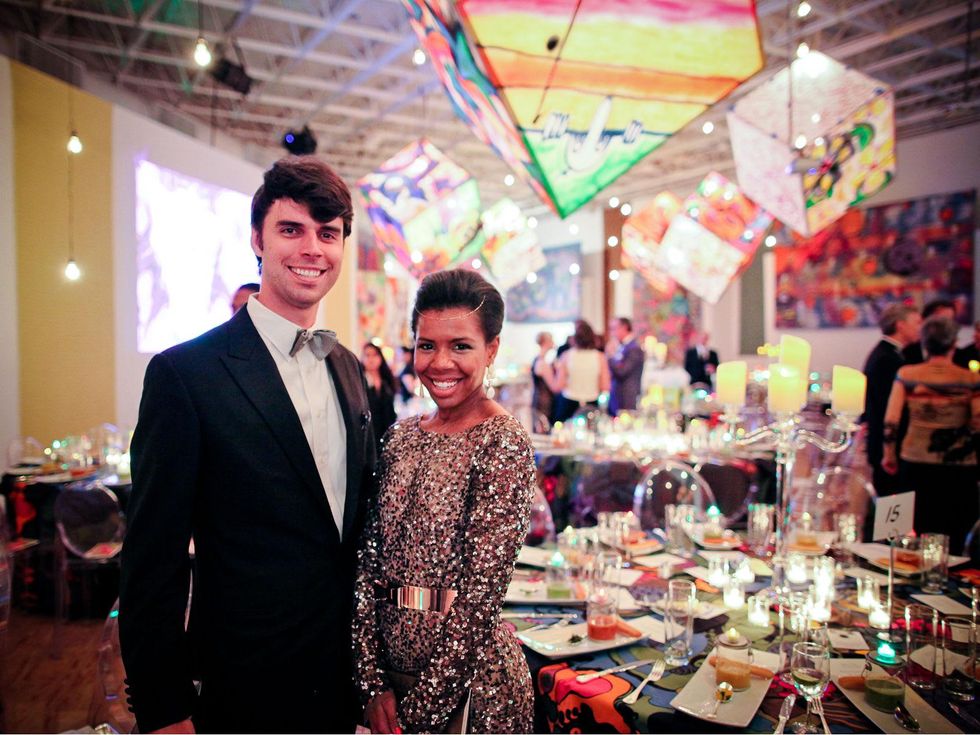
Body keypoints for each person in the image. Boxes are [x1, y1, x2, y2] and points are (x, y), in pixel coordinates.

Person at [120, 156, 376, 734]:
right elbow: (152, 559)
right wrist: (163, 710)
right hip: (241, 683)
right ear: (258, 240)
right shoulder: (187, 374)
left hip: (340, 679)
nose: (312, 248)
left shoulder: (348, 367)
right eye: (292, 229)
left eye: (327, 233)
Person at [353, 268, 534, 734]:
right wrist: (371, 683)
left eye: (461, 346)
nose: (440, 362)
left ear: (491, 349)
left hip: (473, 690)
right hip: (389, 683)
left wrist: (421, 714)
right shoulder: (400, 437)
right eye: (427, 345)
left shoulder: (501, 441)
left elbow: (480, 597)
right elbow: (367, 562)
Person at [882, 317, 980, 552]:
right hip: (958, 464)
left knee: (915, 525)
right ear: (954, 343)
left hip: (915, 459)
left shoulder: (907, 374)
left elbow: (891, 420)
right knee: (955, 529)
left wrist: (889, 455)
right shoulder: (970, 378)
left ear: (924, 343)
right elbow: (977, 421)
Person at [863, 303, 921, 499]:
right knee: (892, 501)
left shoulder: (890, 354)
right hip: (887, 448)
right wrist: (890, 451)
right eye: (916, 322)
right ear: (900, 325)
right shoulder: (886, 359)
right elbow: (887, 409)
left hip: (885, 445)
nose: (920, 328)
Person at [553, 319, 610, 423]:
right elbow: (605, 386)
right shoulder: (600, 357)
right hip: (591, 404)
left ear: (574, 338)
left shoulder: (566, 356)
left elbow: (559, 385)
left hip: (568, 404)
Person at [362, 342, 398, 454]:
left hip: (386, 430)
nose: (371, 359)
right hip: (368, 433)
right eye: (367, 355)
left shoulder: (386, 380)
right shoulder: (360, 381)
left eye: (374, 355)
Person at [606, 317, 645, 415]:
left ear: (624, 328)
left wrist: (610, 357)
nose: (612, 333)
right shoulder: (622, 346)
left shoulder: (634, 349)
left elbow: (622, 371)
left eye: (614, 329)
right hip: (617, 396)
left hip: (626, 398)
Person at [902, 298, 956, 364]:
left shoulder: (959, 356)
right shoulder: (907, 353)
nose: (947, 325)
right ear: (925, 320)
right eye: (942, 320)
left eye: (951, 320)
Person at [531, 331, 560, 425]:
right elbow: (554, 387)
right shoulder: (542, 363)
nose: (553, 342)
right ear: (546, 342)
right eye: (551, 340)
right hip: (544, 405)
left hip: (539, 401)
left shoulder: (539, 360)